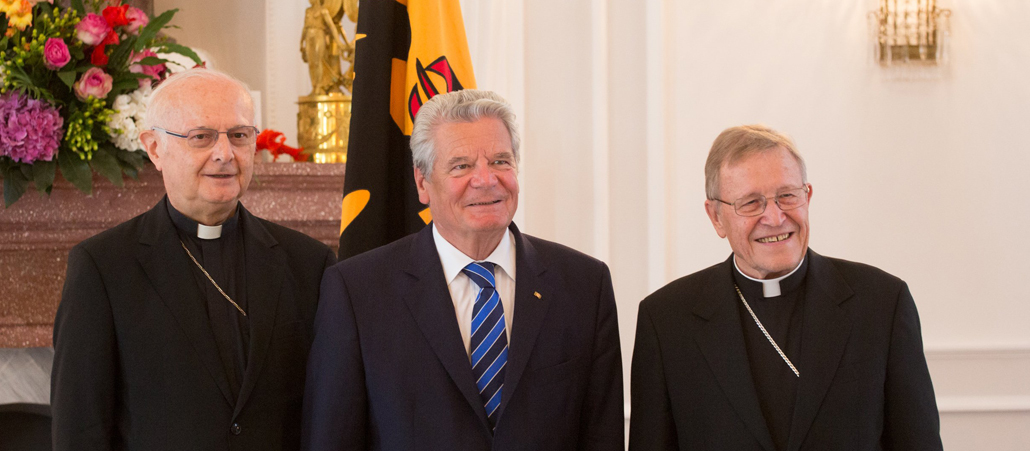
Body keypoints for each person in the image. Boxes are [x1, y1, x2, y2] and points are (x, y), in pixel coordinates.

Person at [302, 89, 624, 450]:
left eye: (500, 161)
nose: (486, 180)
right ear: (422, 183)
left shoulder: (585, 285)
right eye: (462, 166)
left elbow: (603, 436)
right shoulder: (357, 291)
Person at [51, 69, 337, 451]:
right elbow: (80, 429)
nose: (225, 154)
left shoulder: (310, 263)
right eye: (201, 136)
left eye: (239, 135)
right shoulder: (102, 267)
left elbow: (331, 413)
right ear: (155, 149)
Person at [629, 125, 942, 450]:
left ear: (808, 197)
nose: (775, 217)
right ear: (716, 217)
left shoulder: (881, 304)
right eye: (751, 203)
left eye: (787, 196)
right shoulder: (666, 321)